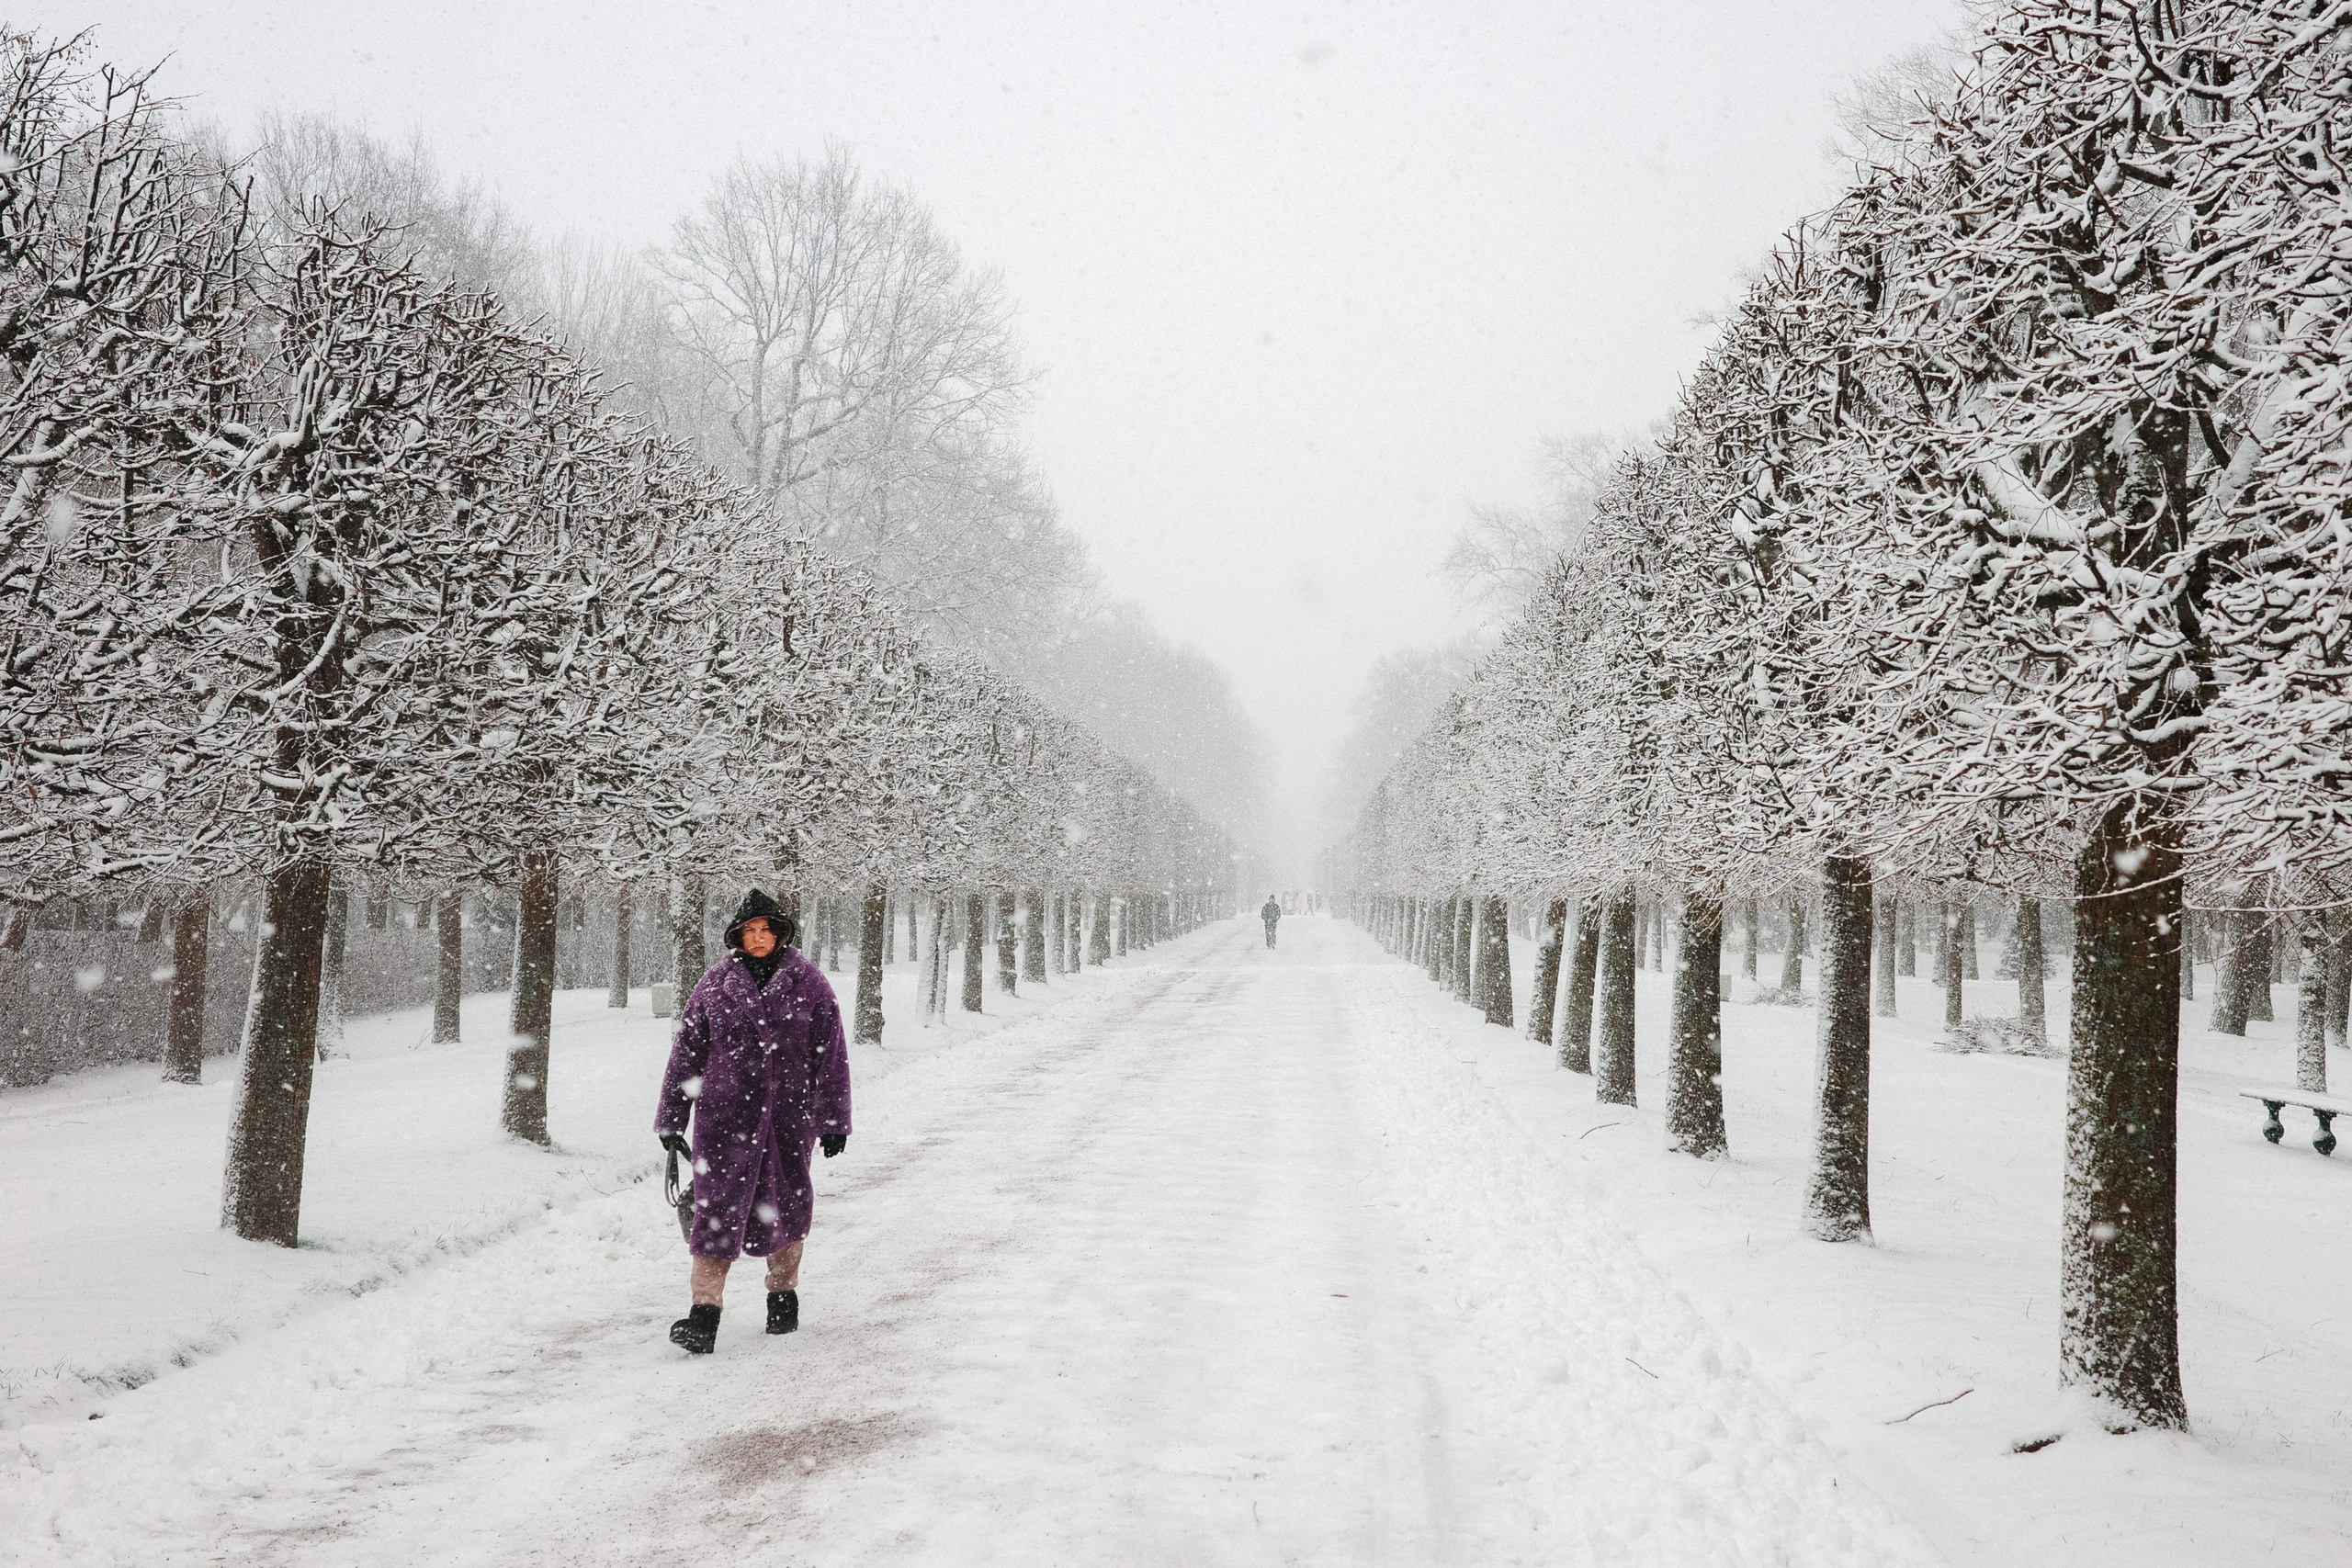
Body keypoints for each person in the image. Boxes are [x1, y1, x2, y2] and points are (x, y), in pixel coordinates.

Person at [654, 888, 852, 1355]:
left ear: (780, 934)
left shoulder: (809, 983)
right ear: (738, 936)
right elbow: (686, 1054)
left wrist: (833, 1120)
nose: (759, 938)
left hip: (788, 1119)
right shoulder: (714, 985)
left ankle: (783, 1297)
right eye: (750, 931)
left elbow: (832, 1053)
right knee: (713, 1212)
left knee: (786, 1206)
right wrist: (672, 1119)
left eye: (766, 930)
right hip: (724, 1120)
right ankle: (703, 1315)